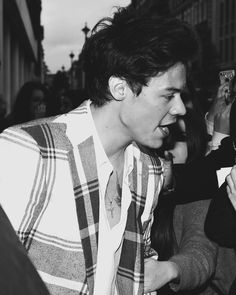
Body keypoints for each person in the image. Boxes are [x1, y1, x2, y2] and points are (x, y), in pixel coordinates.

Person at [0, 6, 199, 294]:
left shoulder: (149, 170)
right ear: (120, 88)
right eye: (169, 95)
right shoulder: (28, 153)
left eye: (181, 96)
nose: (180, 108)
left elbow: (133, 273)